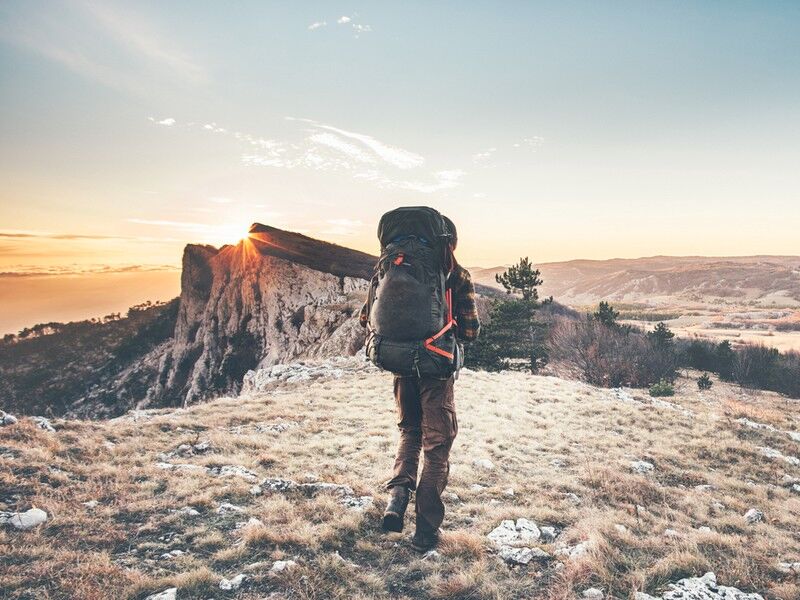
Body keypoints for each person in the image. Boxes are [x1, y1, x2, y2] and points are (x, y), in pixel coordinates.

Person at [359, 214, 480, 552]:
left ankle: (395, 503)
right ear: (448, 242)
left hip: (399, 363)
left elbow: (365, 318)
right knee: (437, 447)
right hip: (436, 369)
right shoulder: (455, 274)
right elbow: (470, 331)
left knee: (409, 431)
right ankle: (426, 532)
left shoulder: (386, 267)